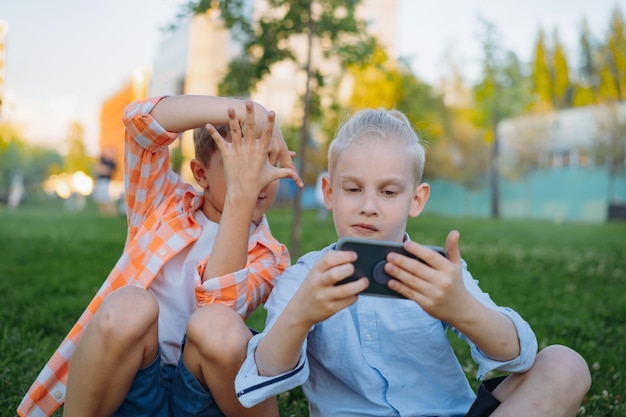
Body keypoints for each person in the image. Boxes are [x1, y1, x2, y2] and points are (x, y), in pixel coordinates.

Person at [234, 108, 591, 416]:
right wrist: (302, 314)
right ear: (329, 193)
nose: (369, 206)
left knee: (565, 365)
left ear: (416, 200)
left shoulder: (437, 272)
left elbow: (517, 356)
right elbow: (266, 372)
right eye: (353, 189)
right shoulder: (304, 279)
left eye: (389, 192)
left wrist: (459, 306)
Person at [17, 95, 303, 417]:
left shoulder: (271, 256)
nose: (257, 177)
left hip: (203, 391)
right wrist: (253, 111)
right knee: (130, 304)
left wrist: (240, 194)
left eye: (267, 162)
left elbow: (219, 310)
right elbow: (140, 122)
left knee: (216, 325)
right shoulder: (162, 202)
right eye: (239, 163)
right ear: (201, 173)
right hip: (135, 376)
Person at [93, 147, 118, 216]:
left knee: (107, 199)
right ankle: (104, 214)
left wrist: (102, 169)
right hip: (100, 181)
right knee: (100, 199)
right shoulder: (103, 160)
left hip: (106, 182)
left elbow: (107, 171)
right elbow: (98, 169)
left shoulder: (112, 163)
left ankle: (113, 214)